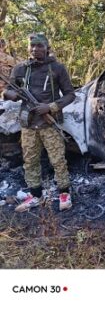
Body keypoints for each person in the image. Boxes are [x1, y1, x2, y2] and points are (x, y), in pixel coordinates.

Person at [3, 33, 75, 212]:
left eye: (39, 45)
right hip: (28, 124)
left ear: (47, 47)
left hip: (49, 124)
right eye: (32, 46)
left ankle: (64, 194)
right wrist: (12, 95)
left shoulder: (57, 68)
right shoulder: (20, 69)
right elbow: (7, 91)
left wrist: (50, 107)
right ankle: (36, 195)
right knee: (30, 161)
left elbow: (70, 95)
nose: (35, 49)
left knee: (58, 160)